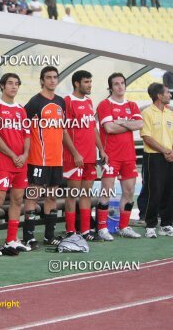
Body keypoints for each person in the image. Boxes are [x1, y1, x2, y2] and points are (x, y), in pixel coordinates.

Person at [0, 73, 32, 256]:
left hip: (20, 164)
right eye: (10, 83)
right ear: (3, 86)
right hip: (3, 163)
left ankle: (12, 239)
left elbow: (27, 135)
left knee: (18, 200)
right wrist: (13, 155)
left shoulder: (21, 109)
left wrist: (25, 154)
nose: (14, 87)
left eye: (16, 84)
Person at [96, 73, 143, 240]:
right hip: (111, 156)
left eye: (122, 83)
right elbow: (109, 128)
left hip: (128, 156)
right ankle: (102, 228)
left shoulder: (132, 104)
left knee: (129, 192)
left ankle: (124, 226)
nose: (120, 86)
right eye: (116, 84)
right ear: (110, 87)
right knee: (106, 191)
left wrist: (121, 122)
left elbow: (140, 124)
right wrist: (128, 124)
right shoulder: (104, 104)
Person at [62, 71, 107, 241]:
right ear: (76, 83)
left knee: (86, 193)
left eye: (90, 81)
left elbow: (93, 128)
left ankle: (85, 231)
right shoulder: (67, 101)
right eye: (86, 82)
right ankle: (70, 232)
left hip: (89, 157)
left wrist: (101, 149)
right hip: (75, 158)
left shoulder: (88, 101)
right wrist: (75, 153)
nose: (90, 85)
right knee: (73, 193)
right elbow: (63, 131)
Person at [23, 66, 65, 249]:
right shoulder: (34, 103)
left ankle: (49, 236)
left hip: (57, 160)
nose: (52, 80)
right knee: (33, 196)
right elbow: (22, 127)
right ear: (42, 80)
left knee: (52, 197)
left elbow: (62, 129)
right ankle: (29, 237)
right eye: (48, 77)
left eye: (55, 77)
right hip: (39, 159)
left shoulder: (61, 102)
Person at [140, 83, 173, 238]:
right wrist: (164, 150)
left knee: (169, 191)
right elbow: (147, 137)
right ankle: (150, 225)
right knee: (154, 191)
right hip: (154, 157)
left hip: (170, 156)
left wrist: (170, 152)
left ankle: (166, 224)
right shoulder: (147, 113)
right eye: (167, 93)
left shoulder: (170, 113)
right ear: (159, 96)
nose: (170, 95)